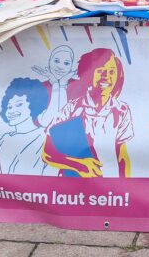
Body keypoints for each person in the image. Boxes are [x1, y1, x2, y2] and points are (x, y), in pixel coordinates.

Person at [41, 48, 133, 178]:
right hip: (71, 187)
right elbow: (47, 153)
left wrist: (126, 188)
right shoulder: (71, 109)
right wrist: (79, 165)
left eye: (112, 72)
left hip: (109, 189)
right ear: (88, 74)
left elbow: (122, 157)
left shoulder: (121, 110)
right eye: (100, 71)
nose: (106, 76)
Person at [0, 77, 54, 175]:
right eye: (9, 107)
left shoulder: (44, 137)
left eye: (19, 105)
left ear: (34, 105)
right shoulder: (4, 139)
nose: (12, 111)